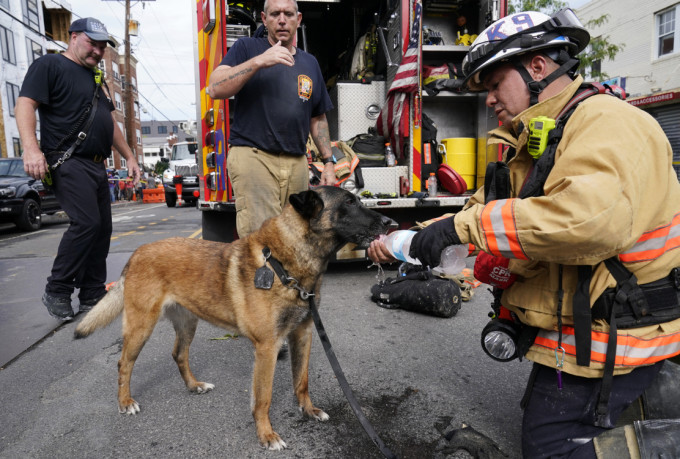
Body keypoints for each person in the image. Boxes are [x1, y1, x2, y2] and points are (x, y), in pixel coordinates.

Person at [368, 8, 680, 457]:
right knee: (543, 416)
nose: (489, 100)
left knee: (549, 449)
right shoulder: (542, 137)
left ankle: (664, 444)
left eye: (494, 85)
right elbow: (486, 209)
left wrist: (462, 226)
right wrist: (411, 239)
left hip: (618, 332)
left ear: (537, 66)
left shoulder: (608, 123)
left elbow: (588, 221)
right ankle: (642, 403)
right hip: (581, 325)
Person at [16, 17, 141, 321]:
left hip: (98, 166)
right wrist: (31, 149)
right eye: (92, 43)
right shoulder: (50, 66)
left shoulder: (96, 77)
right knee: (86, 224)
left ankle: (92, 293)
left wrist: (131, 157)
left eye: (102, 46)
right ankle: (57, 289)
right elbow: (25, 104)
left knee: (101, 229)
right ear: (73, 37)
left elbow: (110, 124)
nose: (98, 51)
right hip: (68, 160)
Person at [207, 0, 336, 237]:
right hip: (254, 157)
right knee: (262, 240)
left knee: (296, 238)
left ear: (299, 19)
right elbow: (215, 87)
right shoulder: (247, 48)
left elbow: (318, 118)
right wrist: (258, 62)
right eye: (275, 14)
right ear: (264, 19)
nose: (282, 19)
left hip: (296, 162)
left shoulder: (310, 63)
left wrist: (329, 161)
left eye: (288, 14)